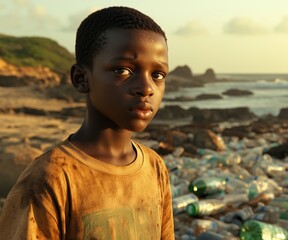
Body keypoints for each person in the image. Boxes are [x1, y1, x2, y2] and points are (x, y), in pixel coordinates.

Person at [0, 6, 174, 239]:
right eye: (122, 70)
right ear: (81, 78)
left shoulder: (155, 168)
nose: (146, 88)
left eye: (158, 75)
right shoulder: (51, 178)